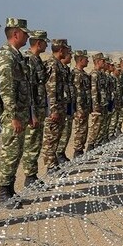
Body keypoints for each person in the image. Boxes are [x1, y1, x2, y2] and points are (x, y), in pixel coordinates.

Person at [0, 17, 33, 209]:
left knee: (16, 152)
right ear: (16, 34)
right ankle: (3, 192)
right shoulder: (6, 56)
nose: (27, 37)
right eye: (25, 33)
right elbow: (6, 88)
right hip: (13, 116)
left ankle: (9, 190)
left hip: (21, 114)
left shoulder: (17, 56)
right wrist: (13, 116)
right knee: (10, 152)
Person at [22, 30, 50, 189]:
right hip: (33, 111)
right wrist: (31, 113)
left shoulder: (37, 60)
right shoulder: (29, 61)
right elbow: (29, 89)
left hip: (39, 109)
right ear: (38, 43)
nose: (46, 45)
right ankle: (29, 177)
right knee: (31, 143)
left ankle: (32, 175)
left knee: (36, 143)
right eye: (45, 42)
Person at [42, 39, 71, 173]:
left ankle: (53, 162)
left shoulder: (58, 65)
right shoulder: (53, 65)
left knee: (56, 136)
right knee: (51, 138)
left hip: (60, 107)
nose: (67, 52)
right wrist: (53, 109)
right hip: (55, 109)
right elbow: (51, 89)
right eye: (66, 49)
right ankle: (50, 166)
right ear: (61, 50)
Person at [56, 45, 75, 163]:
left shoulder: (65, 69)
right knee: (56, 135)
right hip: (58, 107)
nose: (71, 56)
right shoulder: (54, 66)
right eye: (69, 54)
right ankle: (54, 159)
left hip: (67, 105)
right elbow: (52, 90)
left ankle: (60, 154)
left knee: (66, 131)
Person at [86, 52, 107, 151]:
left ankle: (96, 144)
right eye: (103, 61)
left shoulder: (100, 74)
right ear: (98, 62)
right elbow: (93, 91)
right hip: (97, 106)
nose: (104, 62)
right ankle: (90, 146)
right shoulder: (94, 74)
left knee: (100, 126)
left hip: (101, 104)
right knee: (95, 126)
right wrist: (95, 106)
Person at [72, 50, 91, 158]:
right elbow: (77, 93)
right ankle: (77, 151)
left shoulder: (84, 74)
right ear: (80, 60)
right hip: (80, 108)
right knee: (79, 130)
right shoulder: (76, 74)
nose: (88, 60)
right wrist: (78, 109)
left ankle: (80, 150)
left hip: (85, 107)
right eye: (86, 59)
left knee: (84, 129)